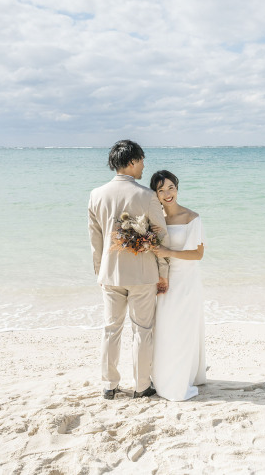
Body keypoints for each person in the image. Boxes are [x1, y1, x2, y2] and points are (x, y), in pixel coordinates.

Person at [88, 140, 169, 400]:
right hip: (142, 275)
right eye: (142, 160)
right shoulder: (147, 195)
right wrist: (164, 273)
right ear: (132, 161)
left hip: (110, 274)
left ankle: (109, 385)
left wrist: (100, 271)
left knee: (111, 329)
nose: (144, 165)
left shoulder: (96, 194)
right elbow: (161, 237)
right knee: (142, 330)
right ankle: (142, 385)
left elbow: (95, 239)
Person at [149, 170, 207, 401]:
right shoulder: (155, 220)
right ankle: (162, 376)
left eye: (170, 187)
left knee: (183, 329)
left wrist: (168, 252)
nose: (167, 194)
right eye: (161, 190)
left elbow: (198, 254)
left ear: (177, 188)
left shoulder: (192, 217)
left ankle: (181, 379)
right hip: (164, 281)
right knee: (165, 330)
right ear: (156, 194)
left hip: (186, 282)